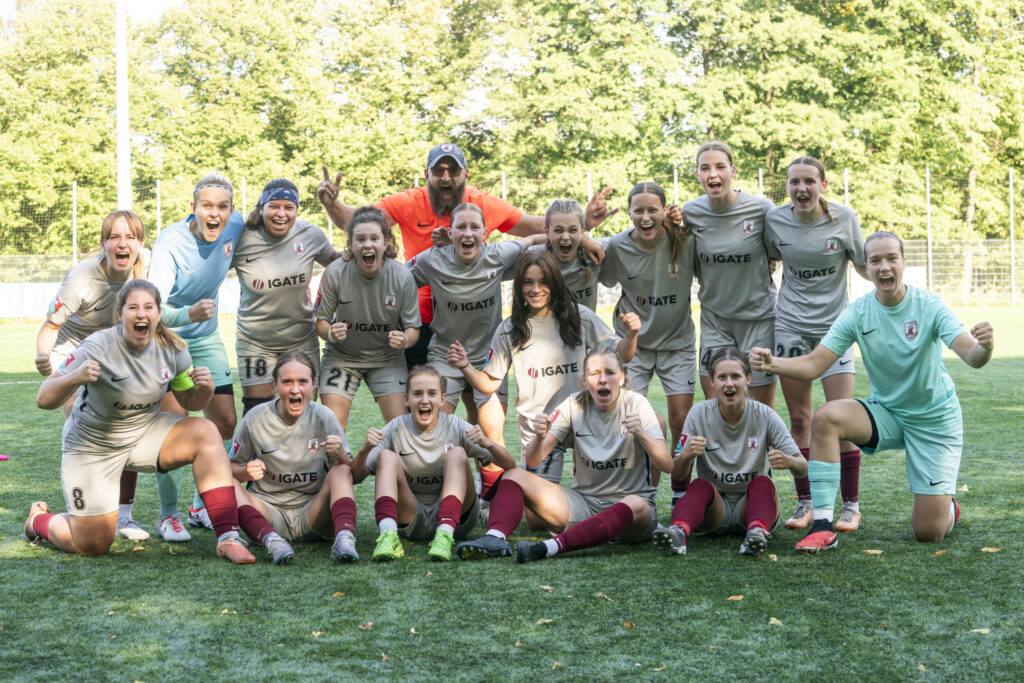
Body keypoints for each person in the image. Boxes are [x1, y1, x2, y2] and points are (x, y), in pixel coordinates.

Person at [750, 231, 994, 553]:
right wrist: (773, 363)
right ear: (866, 268)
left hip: (934, 421)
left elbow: (971, 355)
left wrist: (985, 347)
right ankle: (823, 527)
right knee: (827, 416)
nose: (884, 266)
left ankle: (946, 506)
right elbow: (813, 364)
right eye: (875, 260)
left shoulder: (930, 306)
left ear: (904, 262)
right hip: (887, 413)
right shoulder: (858, 312)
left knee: (928, 532)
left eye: (891, 258)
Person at [316, 143, 611, 372]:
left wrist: (583, 231)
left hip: (470, 325)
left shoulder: (484, 204)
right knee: (419, 400)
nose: (446, 176)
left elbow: (541, 227)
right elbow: (358, 222)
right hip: (415, 318)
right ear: (427, 174)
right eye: (438, 170)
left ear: (465, 174)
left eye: (453, 170)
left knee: (477, 402)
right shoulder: (408, 201)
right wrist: (332, 204)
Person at [26, 280, 255, 563]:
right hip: (92, 446)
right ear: (119, 314)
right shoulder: (97, 345)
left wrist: (205, 391)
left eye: (148, 307)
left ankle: (228, 538)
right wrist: (75, 377)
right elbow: (44, 398)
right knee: (93, 544)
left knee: (206, 431)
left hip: (144, 433)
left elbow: (190, 403)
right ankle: (37, 521)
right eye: (133, 307)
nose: (141, 314)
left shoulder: (174, 348)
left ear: (158, 314)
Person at [455, 344, 672, 563]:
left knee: (636, 503)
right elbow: (533, 459)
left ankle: (548, 548)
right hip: (585, 505)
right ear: (584, 380)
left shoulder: (637, 404)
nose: (602, 380)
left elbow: (667, 465)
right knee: (513, 476)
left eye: (610, 372)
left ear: (622, 377)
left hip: (632, 518)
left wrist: (642, 434)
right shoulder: (573, 404)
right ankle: (494, 538)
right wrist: (540, 436)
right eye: (594, 374)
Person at [447, 250, 639, 493]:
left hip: (584, 419)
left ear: (555, 282)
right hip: (539, 427)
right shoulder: (509, 329)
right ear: (519, 287)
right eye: (528, 282)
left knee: (598, 493)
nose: (536, 289)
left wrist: (631, 335)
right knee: (537, 509)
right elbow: (489, 384)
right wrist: (465, 365)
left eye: (543, 281)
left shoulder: (581, 317)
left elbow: (622, 355)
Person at [765, 156, 868, 532]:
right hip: (790, 327)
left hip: (835, 331)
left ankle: (851, 506)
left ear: (823, 185)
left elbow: (863, 264)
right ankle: (806, 503)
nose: (801, 188)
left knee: (842, 419)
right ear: (787, 186)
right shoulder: (774, 220)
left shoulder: (844, 218)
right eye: (794, 182)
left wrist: (891, 283)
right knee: (800, 419)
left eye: (809, 181)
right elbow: (769, 258)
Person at [34, 209, 150, 542]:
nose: (122, 244)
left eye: (130, 237)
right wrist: (43, 357)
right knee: (82, 421)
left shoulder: (145, 265)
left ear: (140, 243)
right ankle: (81, 506)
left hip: (113, 349)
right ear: (103, 244)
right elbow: (51, 326)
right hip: (73, 351)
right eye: (114, 237)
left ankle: (123, 515)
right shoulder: (81, 279)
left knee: (125, 421)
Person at [147, 172, 246, 540]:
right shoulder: (170, 243)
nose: (214, 213)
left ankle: (198, 507)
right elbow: (153, 309)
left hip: (206, 339)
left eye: (222, 206)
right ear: (193, 208)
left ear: (232, 210)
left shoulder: (236, 225)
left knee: (225, 421)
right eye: (207, 206)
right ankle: (167, 516)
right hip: (168, 341)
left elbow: (271, 224)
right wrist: (188, 314)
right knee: (176, 426)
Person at [408, 203, 545, 447]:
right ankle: (451, 470)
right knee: (435, 430)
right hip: (446, 355)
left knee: (489, 435)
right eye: (461, 227)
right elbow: (395, 278)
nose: (468, 233)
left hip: (488, 358)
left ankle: (487, 473)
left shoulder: (498, 254)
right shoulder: (432, 259)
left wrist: (586, 236)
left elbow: (541, 241)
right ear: (450, 232)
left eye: (474, 227)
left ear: (485, 233)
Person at [349, 364, 515, 561]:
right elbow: (356, 477)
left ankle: (444, 535)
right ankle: (388, 535)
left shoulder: (455, 425)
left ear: (443, 399)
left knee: (457, 453)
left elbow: (509, 465)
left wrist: (488, 443)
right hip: (411, 519)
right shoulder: (396, 428)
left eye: (432, 393)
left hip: (458, 522)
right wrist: (364, 450)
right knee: (386, 456)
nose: (425, 400)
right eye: (417, 393)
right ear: (406, 399)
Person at [653, 348, 806, 557]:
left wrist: (790, 461)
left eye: (736, 376)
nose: (729, 384)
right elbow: (678, 474)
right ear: (712, 382)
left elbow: (803, 467)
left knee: (763, 483)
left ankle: (756, 534)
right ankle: (677, 533)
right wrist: (686, 455)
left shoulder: (765, 415)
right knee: (700, 485)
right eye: (722, 377)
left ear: (748, 378)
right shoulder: (698, 414)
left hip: (751, 506)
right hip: (714, 509)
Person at [599, 182, 696, 488]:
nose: (645, 217)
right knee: (630, 420)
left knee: (682, 420)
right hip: (633, 345)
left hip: (677, 342)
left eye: (652, 210)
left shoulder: (685, 239)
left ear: (664, 210)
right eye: (638, 210)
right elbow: (600, 274)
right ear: (629, 212)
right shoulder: (618, 245)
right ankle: (642, 491)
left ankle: (680, 490)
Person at [229, 351, 359, 564]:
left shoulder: (324, 416)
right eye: (287, 381)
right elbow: (230, 469)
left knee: (342, 470)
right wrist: (245, 472)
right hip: (268, 512)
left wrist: (341, 456)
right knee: (228, 483)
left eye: (302, 381)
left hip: (313, 513)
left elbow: (352, 474)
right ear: (275, 384)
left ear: (313, 384)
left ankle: (344, 538)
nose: (295, 389)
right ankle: (272, 541)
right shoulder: (255, 418)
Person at [682, 141, 778, 409]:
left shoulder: (761, 208)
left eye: (720, 167)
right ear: (698, 174)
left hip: (758, 319)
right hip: (715, 321)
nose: (712, 174)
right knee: (716, 406)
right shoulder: (691, 212)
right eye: (705, 168)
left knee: (760, 409)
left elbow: (779, 250)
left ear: (733, 170)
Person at [233, 178, 340, 413]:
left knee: (303, 410)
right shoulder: (241, 238)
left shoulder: (310, 234)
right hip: (255, 342)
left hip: (301, 339)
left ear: (296, 210)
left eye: (289, 207)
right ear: (262, 208)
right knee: (258, 412)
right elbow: (211, 267)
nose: (281, 214)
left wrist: (372, 250)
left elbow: (340, 265)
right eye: (274, 206)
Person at [314, 206, 420, 429]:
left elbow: (413, 329)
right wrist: (331, 333)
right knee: (332, 426)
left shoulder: (402, 276)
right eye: (360, 239)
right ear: (351, 245)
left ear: (385, 242)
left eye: (374, 238)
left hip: (387, 358)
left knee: (400, 427)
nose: (368, 245)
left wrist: (405, 340)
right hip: (342, 357)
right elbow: (321, 323)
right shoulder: (335, 272)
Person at [537, 197, 612, 311]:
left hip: (584, 323)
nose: (565, 237)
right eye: (558, 230)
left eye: (572, 230)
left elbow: (631, 241)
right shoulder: (535, 258)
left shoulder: (597, 250)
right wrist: (529, 240)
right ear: (547, 231)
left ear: (582, 231)